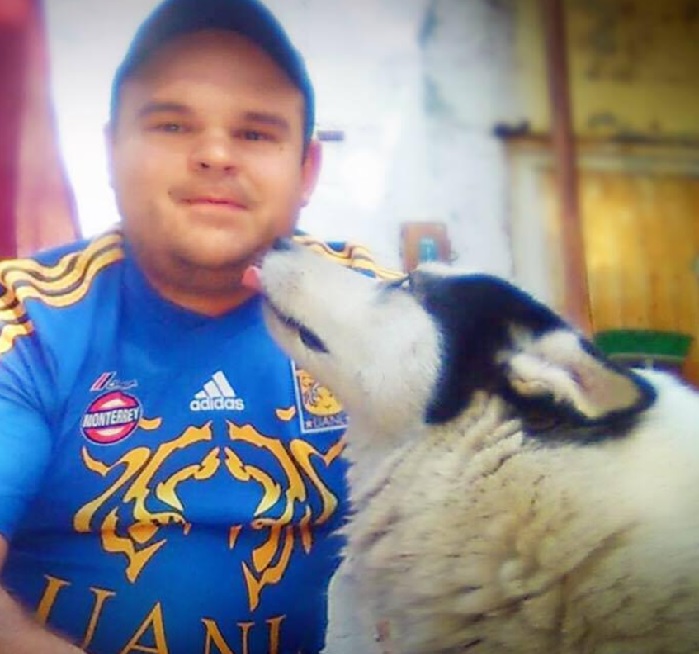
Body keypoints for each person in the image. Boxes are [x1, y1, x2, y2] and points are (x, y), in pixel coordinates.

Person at [0, 0, 396, 652]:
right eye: (172, 124)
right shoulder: (27, 318)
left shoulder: (377, 318)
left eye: (255, 133)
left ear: (306, 170)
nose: (214, 154)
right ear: (111, 152)